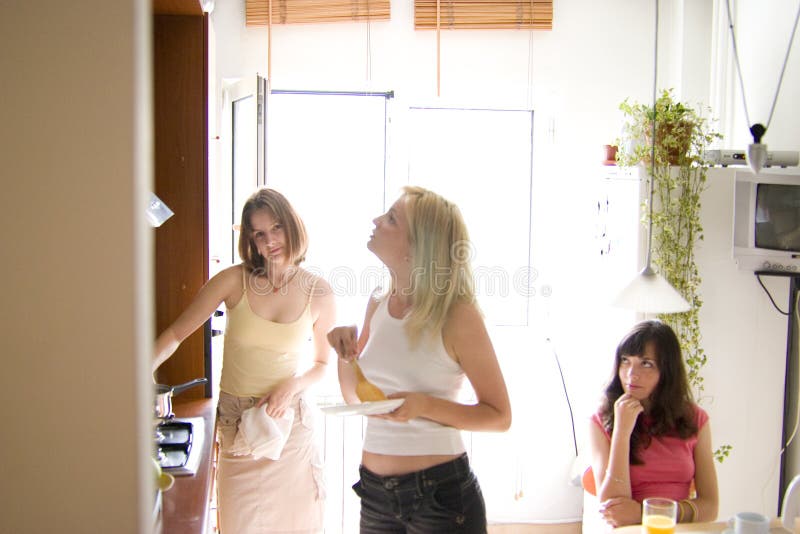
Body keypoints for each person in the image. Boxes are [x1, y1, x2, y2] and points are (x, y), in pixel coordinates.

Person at [327, 186, 512, 533]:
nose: (377, 220)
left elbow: (500, 417)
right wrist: (343, 354)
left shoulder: (457, 316)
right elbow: (355, 398)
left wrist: (423, 405)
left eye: (392, 218)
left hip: (440, 500)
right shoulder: (378, 303)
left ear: (416, 248)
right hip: (375, 495)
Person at [153, 188, 335, 533]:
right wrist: (140, 371)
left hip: (287, 426)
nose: (270, 241)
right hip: (236, 425)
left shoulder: (319, 291)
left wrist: (290, 387)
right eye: (259, 234)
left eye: (277, 228)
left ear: (292, 225)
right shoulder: (233, 281)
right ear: (251, 240)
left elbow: (323, 364)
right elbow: (177, 334)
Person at [586, 320, 719, 530]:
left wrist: (646, 513)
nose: (631, 374)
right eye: (625, 361)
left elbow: (711, 507)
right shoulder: (600, 420)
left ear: (667, 370)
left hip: (677, 530)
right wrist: (622, 431)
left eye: (646, 363)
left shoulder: (695, 419)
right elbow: (613, 510)